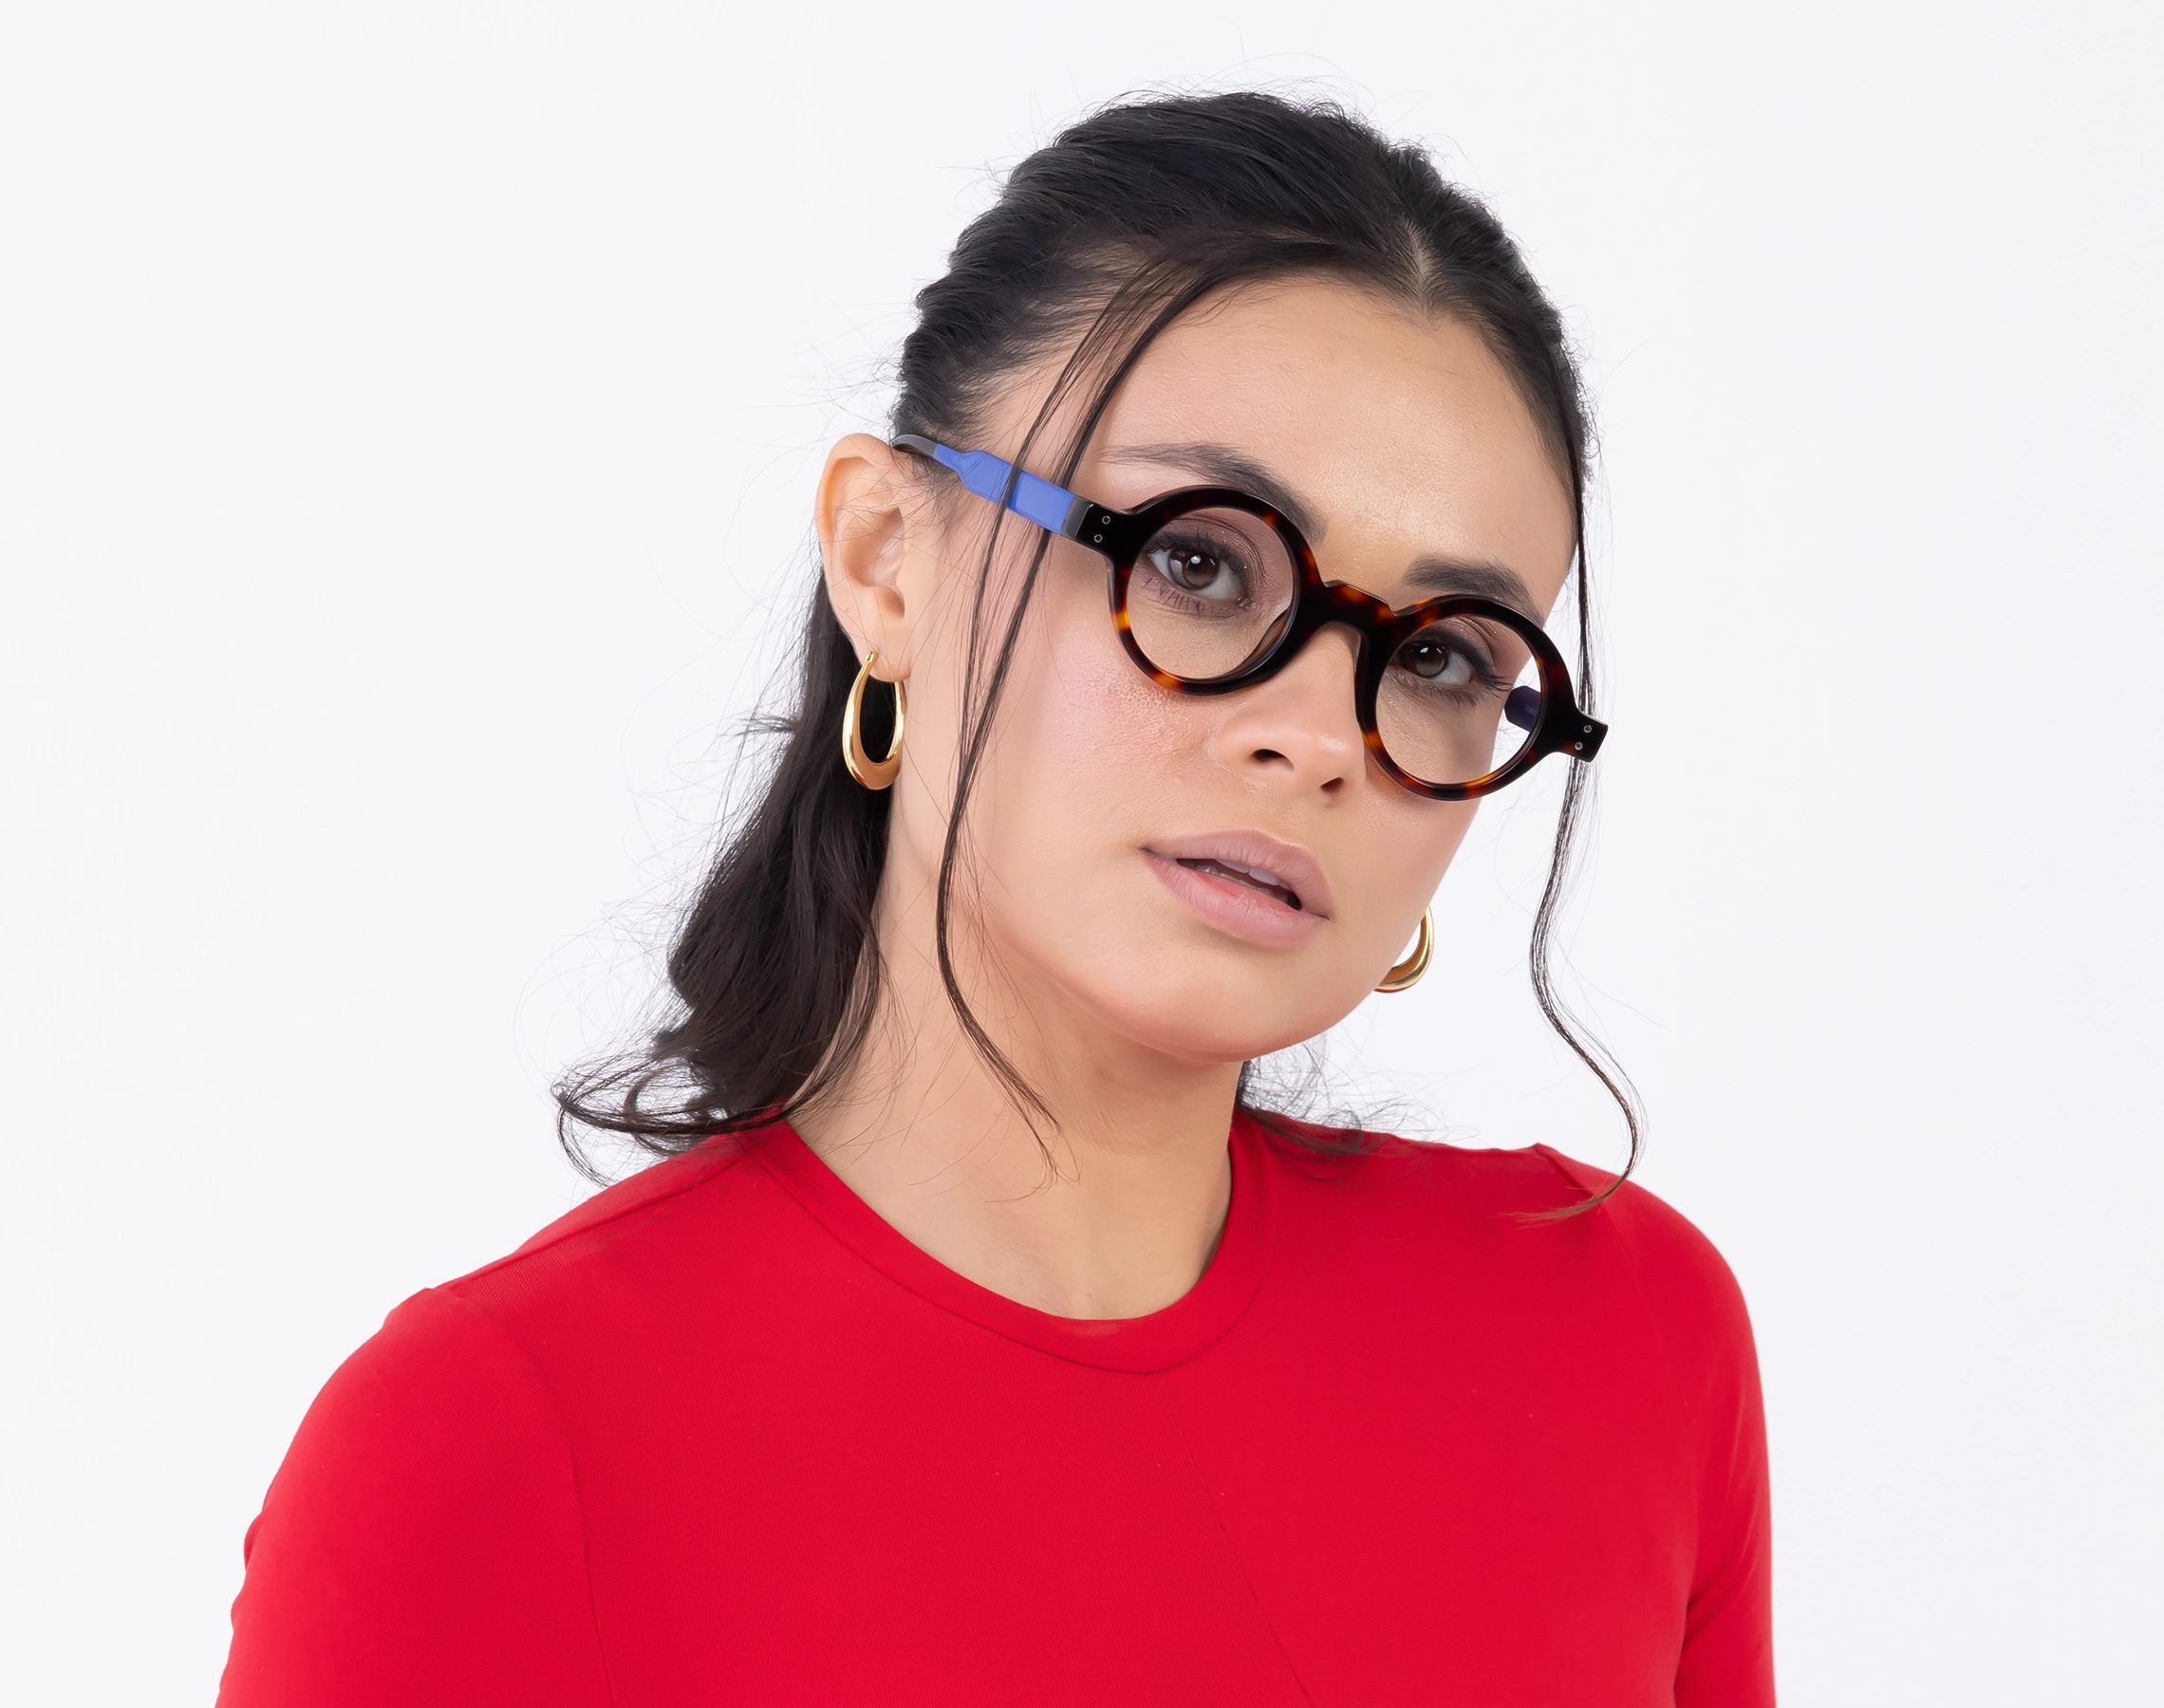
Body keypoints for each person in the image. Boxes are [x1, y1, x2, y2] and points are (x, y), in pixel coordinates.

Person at [217, 91, 1771, 1706]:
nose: (1318, 734)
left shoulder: (1623, 1337)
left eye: (1440, 655)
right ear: (887, 557)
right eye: (1197, 561)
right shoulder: (493, 1451)